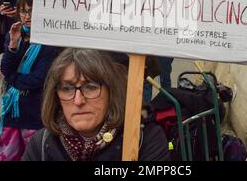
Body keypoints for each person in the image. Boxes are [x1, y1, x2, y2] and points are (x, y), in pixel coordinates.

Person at [23, 48, 170, 161]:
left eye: (91, 87)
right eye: (67, 89)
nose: (78, 101)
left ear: (111, 91)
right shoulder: (41, 144)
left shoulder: (144, 140)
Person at [0, 0, 60, 161]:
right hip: (12, 110)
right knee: (8, 155)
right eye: (23, 11)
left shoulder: (48, 42)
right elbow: (6, 67)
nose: (27, 16)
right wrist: (13, 44)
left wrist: (11, 78)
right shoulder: (15, 33)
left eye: (32, 11)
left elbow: (38, 79)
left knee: (33, 155)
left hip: (34, 111)